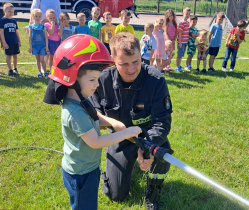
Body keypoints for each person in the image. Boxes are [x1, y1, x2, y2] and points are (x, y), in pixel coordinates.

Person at [43, 34, 142, 209]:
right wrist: (126, 133)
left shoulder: (81, 99)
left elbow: (94, 114)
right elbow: (95, 142)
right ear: (71, 79)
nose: (97, 85)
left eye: (97, 79)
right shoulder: (74, 112)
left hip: (88, 167)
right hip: (81, 173)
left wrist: (111, 122)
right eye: (92, 80)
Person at [90, 32, 172, 210]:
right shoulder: (102, 80)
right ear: (112, 59)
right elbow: (91, 111)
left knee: (164, 154)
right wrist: (111, 123)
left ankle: (153, 191)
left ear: (140, 54)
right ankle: (120, 169)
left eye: (136, 62)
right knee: (116, 194)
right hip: (120, 139)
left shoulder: (156, 80)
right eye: (124, 64)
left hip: (149, 137)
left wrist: (148, 149)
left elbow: (162, 121)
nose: (131, 69)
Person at [0, 3, 21, 76]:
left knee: (15, 56)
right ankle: (10, 70)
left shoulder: (14, 20)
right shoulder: (2, 20)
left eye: (12, 12)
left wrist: (19, 41)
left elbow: (16, 32)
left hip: (15, 41)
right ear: (4, 10)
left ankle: (15, 69)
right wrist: (4, 43)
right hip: (8, 42)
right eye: (9, 11)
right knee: (8, 56)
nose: (11, 13)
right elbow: (1, 32)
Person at [28, 9, 49, 78]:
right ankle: (40, 72)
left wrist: (47, 46)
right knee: (37, 59)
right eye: (36, 16)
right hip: (35, 46)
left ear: (41, 17)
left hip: (42, 46)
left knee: (42, 60)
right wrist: (30, 47)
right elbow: (30, 37)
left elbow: (46, 37)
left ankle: (45, 71)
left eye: (39, 16)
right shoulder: (31, 27)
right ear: (33, 17)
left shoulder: (43, 27)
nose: (38, 18)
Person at [45, 9, 60, 76]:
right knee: (51, 57)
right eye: (50, 18)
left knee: (57, 56)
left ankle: (56, 68)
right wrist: (53, 25)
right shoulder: (47, 24)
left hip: (58, 42)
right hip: (51, 42)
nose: (52, 19)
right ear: (47, 18)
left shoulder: (57, 24)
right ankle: (51, 70)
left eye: (54, 18)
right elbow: (51, 33)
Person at [175, 7, 190, 73]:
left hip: (185, 42)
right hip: (181, 42)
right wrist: (180, 42)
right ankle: (177, 67)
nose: (187, 15)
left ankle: (179, 65)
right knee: (179, 55)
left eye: (189, 14)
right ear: (182, 14)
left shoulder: (187, 22)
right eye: (186, 14)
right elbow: (180, 33)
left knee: (182, 55)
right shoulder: (182, 23)